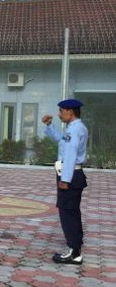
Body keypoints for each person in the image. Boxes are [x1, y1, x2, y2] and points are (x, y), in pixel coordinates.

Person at [42, 99, 88, 265]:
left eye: (61, 111)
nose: (59, 114)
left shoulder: (75, 130)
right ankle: (76, 244)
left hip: (70, 175)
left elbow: (70, 155)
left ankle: (74, 253)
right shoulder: (74, 128)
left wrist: (64, 179)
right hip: (73, 174)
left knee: (67, 213)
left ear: (70, 111)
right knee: (72, 211)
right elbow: (60, 140)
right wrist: (49, 126)